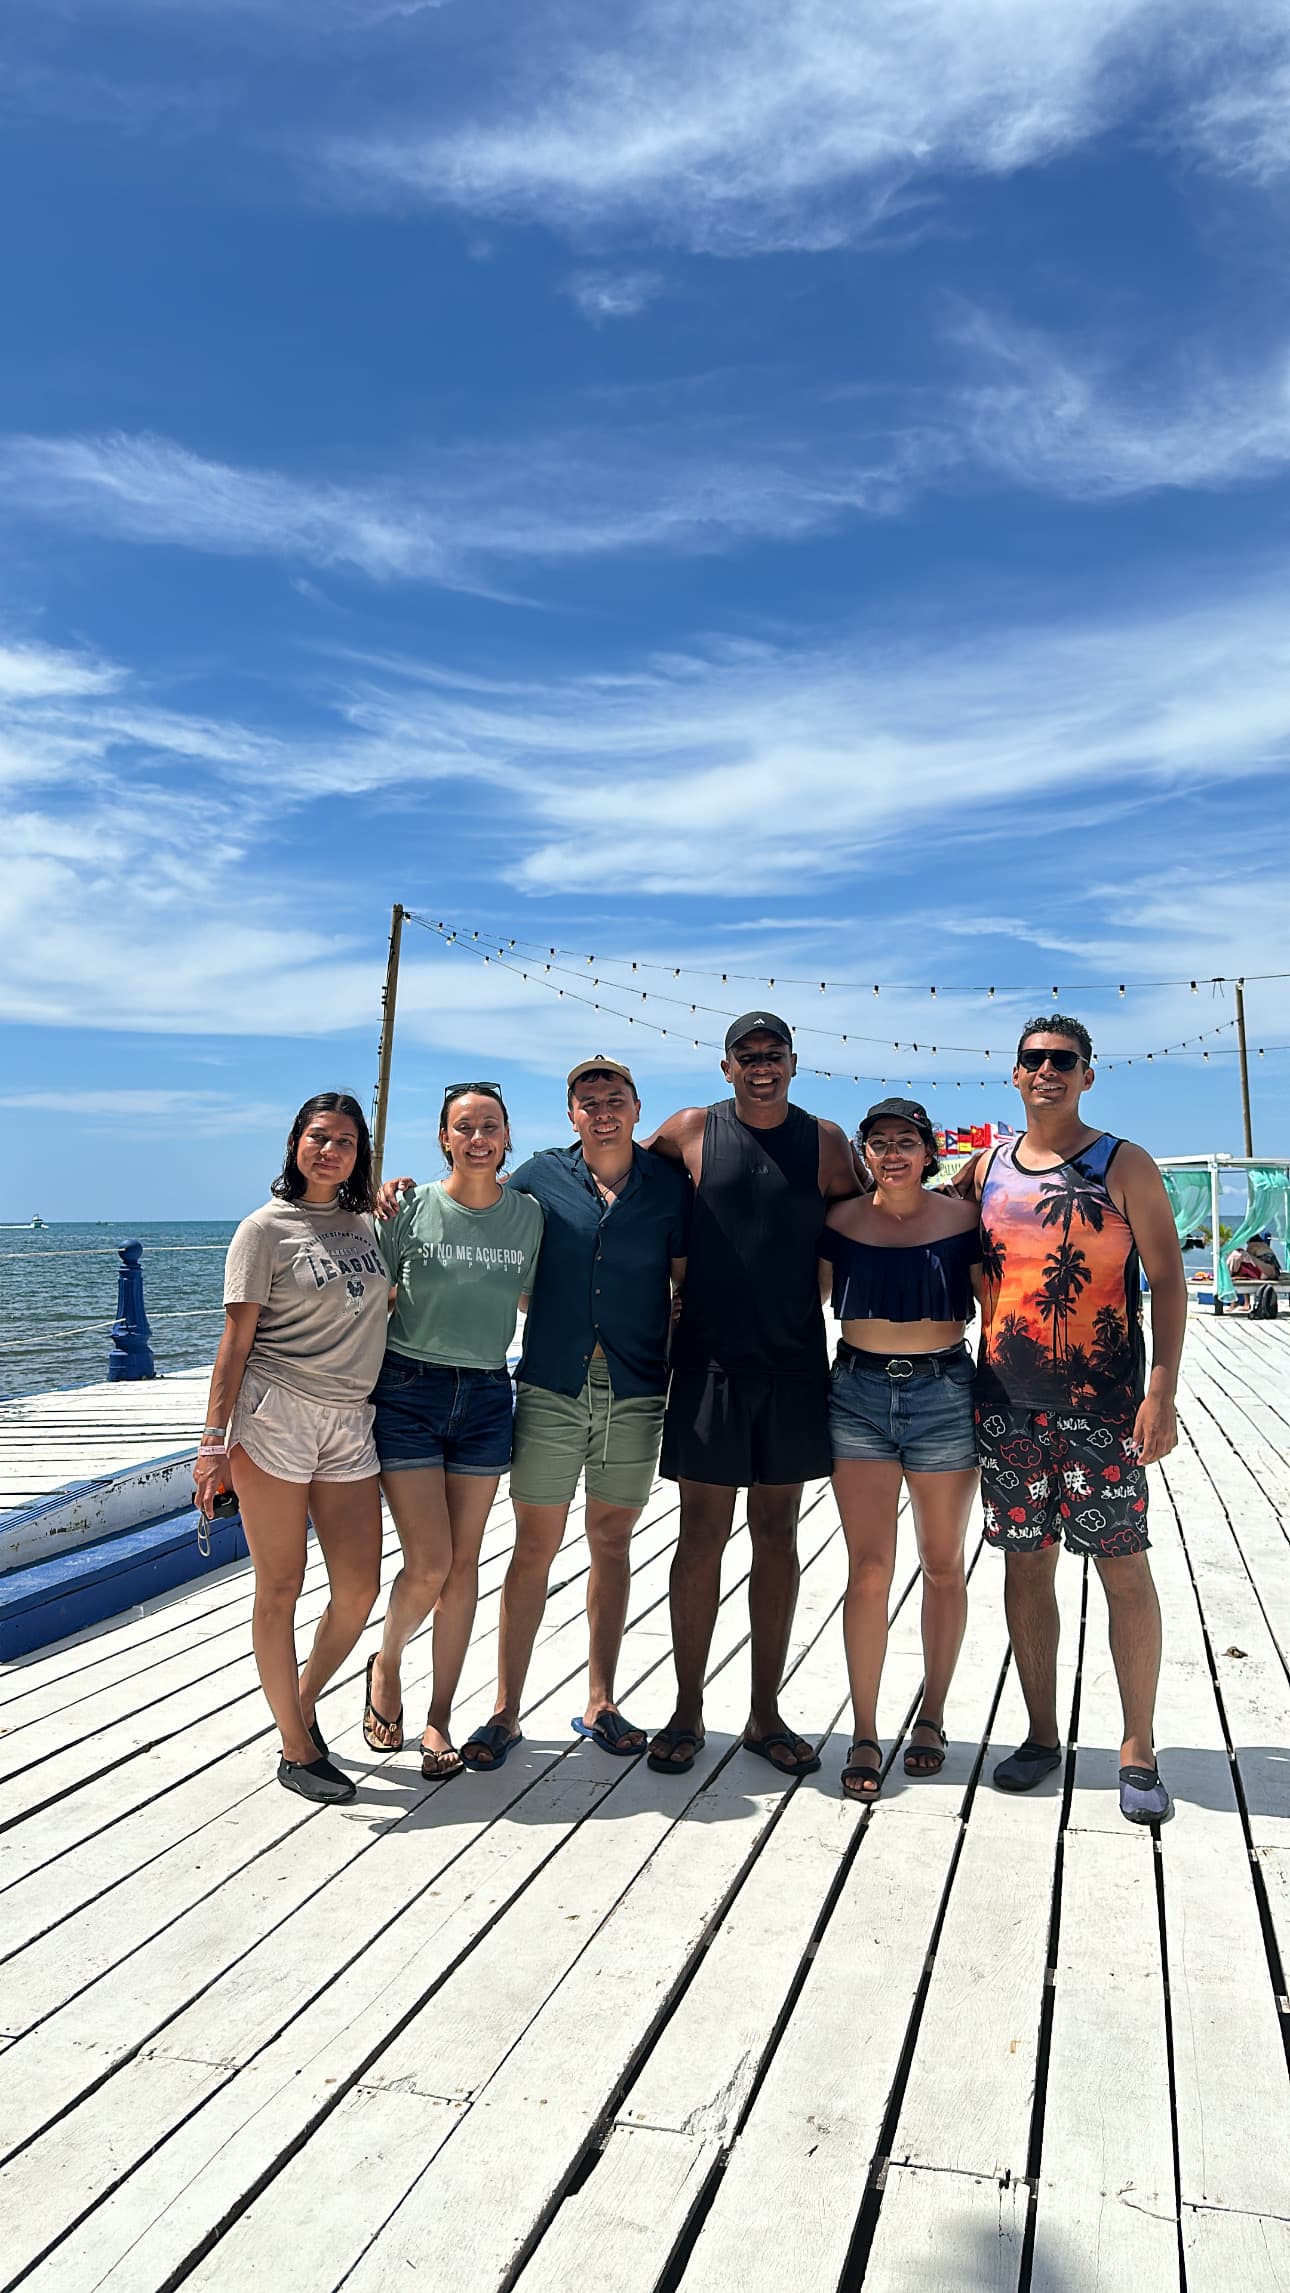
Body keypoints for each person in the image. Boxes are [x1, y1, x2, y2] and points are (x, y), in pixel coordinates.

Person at [957, 1017, 1187, 1825]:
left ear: (1087, 1076)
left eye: (1063, 1060)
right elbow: (912, 1221)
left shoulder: (1123, 1163)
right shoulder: (983, 1168)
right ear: (1014, 1075)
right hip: (1006, 1409)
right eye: (1034, 1059)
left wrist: (1161, 1388)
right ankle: (1042, 1735)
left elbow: (1167, 1279)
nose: (1047, 1071)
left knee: (1124, 1567)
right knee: (1026, 1567)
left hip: (1105, 1413)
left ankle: (1137, 1747)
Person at [453, 1057, 690, 1770]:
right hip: (553, 1383)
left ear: (637, 1106)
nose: (602, 1110)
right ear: (571, 1114)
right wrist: (393, 1196)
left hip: (635, 1388)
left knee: (612, 1541)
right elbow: (472, 1211)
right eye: (588, 1101)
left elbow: (684, 1283)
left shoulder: (667, 1188)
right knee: (534, 1545)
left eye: (614, 1098)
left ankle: (601, 1698)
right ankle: (505, 1708)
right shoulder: (537, 1177)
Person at [643, 1014, 859, 1779]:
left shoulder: (828, 1142)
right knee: (700, 1535)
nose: (762, 1066)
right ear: (726, 1065)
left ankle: (765, 1712)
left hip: (797, 1364)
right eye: (748, 1056)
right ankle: (686, 1707)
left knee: (778, 1535)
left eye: (774, 1055)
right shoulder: (690, 1129)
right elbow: (617, 1183)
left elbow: (872, 1217)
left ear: (794, 1062)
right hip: (707, 1365)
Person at [193, 1093, 390, 1804]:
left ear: (358, 1153)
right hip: (273, 1415)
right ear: (294, 1142)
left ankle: (298, 1698)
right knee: (280, 1583)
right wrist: (212, 1444)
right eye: (318, 1137)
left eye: (344, 1141)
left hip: (348, 1421)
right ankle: (296, 1746)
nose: (329, 1150)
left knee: (359, 1587)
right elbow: (234, 1343)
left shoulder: (367, 1223)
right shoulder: (263, 1229)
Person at [364, 1084, 542, 1778]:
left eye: (489, 1125)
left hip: (488, 1393)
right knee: (429, 1562)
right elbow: (362, 1290)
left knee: (464, 1565)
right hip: (408, 1387)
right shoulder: (408, 1205)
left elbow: (540, 1294)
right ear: (443, 1136)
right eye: (463, 1126)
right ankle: (387, 1659)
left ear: (506, 1135)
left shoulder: (528, 1216)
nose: (477, 1137)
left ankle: (438, 1716)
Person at [821, 1099, 981, 1801]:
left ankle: (934, 1715)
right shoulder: (839, 1223)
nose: (892, 1152)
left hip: (945, 1391)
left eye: (905, 1141)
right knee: (870, 1567)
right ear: (864, 1154)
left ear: (927, 1150)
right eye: (879, 1142)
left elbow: (1004, 1304)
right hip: (855, 1392)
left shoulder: (964, 1222)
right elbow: (795, 1301)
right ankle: (864, 1726)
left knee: (943, 1563)